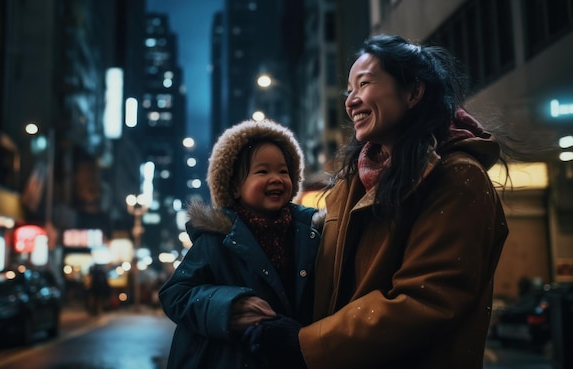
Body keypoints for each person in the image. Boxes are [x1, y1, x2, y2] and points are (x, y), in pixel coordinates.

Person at [243, 34, 510, 369]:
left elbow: (426, 301)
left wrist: (305, 345)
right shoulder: (352, 184)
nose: (351, 101)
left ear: (413, 91)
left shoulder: (456, 177)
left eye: (364, 84)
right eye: (349, 90)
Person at [159, 119, 324, 369]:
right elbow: (176, 294)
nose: (276, 178)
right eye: (262, 171)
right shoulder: (216, 238)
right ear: (234, 186)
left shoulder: (308, 232)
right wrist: (228, 306)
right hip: (233, 358)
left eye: (283, 171)